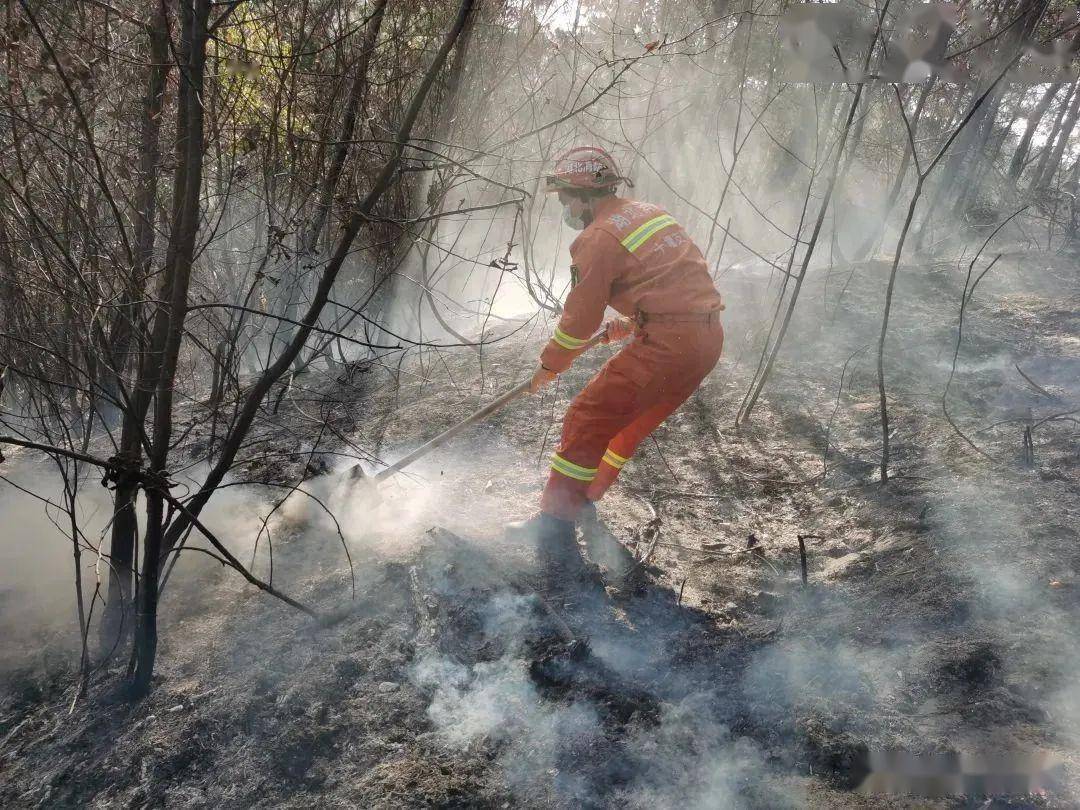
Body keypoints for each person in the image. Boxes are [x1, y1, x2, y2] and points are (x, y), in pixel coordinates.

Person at [510, 145, 726, 580]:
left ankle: (554, 528)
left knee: (588, 416)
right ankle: (585, 499)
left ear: (583, 196)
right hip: (704, 337)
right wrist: (632, 323)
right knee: (627, 423)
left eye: (564, 199)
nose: (564, 209)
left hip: (669, 341)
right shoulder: (648, 214)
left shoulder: (598, 238)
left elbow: (579, 319)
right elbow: (672, 281)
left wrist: (550, 366)